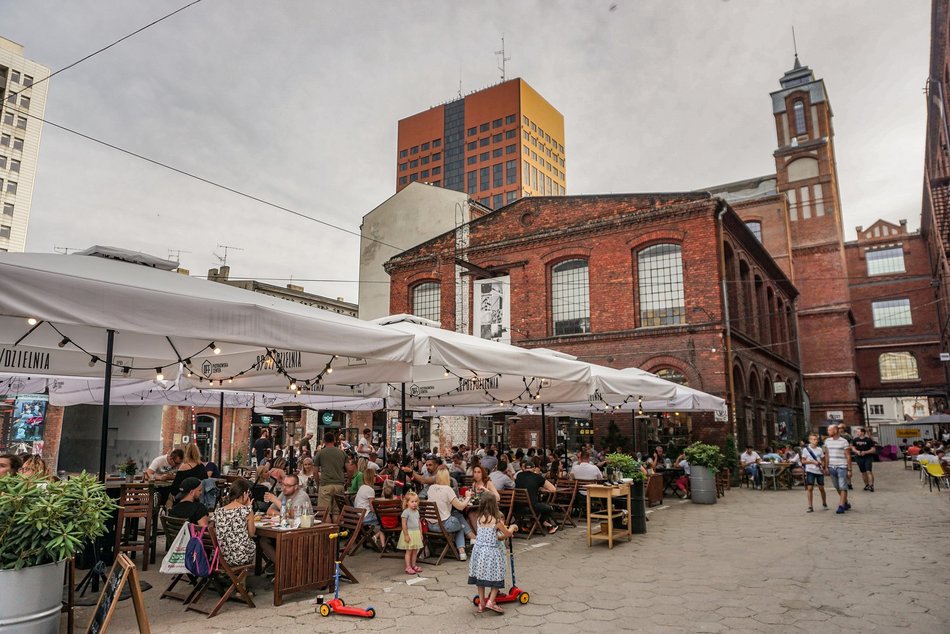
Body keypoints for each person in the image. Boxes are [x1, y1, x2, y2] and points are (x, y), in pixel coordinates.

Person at [468, 493, 518, 614]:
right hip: (491, 552)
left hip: (479, 551)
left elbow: (491, 535)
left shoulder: (479, 518)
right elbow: (506, 534)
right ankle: (491, 601)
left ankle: (482, 603)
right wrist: (512, 527)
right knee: (497, 575)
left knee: (481, 577)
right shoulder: (496, 520)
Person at [213, 478, 268, 567]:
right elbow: (251, 533)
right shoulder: (246, 510)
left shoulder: (219, 511)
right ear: (245, 493)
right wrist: (249, 509)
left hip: (223, 556)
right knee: (256, 543)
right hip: (241, 556)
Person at [426, 466, 476, 560]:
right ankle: (465, 547)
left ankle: (464, 550)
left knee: (457, 517)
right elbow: (461, 506)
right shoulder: (448, 490)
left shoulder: (431, 488)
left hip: (430, 525)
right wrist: (468, 497)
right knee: (459, 524)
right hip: (442, 526)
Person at [514, 456, 558, 534]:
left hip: (518, 507)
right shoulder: (537, 477)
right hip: (531, 507)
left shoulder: (519, 476)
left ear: (524, 468)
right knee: (549, 508)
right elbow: (553, 489)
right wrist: (539, 486)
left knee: (540, 507)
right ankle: (545, 524)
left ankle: (532, 525)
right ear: (534, 468)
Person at [314, 432, 347, 514]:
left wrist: (318, 484)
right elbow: (349, 469)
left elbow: (315, 472)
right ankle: (336, 527)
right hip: (339, 485)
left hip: (326, 484)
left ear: (324, 441)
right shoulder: (342, 453)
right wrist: (348, 480)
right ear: (334, 440)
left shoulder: (320, 453)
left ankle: (329, 527)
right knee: (337, 512)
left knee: (325, 513)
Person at [823, 424, 852, 514]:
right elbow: (827, 455)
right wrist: (826, 467)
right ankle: (845, 502)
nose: (828, 432)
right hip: (832, 466)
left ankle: (841, 506)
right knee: (837, 486)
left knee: (843, 486)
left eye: (829, 430)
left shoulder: (844, 441)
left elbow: (848, 456)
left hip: (842, 466)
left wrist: (849, 469)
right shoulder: (827, 441)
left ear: (835, 430)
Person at [353, 467, 384, 550]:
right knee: (385, 519)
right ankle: (376, 537)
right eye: (374, 476)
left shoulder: (362, 487)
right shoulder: (370, 490)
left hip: (358, 515)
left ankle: (375, 537)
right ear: (371, 477)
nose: (376, 478)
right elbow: (373, 508)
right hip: (365, 517)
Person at [398, 491, 423, 574]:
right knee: (409, 551)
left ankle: (414, 565)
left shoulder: (417, 512)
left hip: (416, 533)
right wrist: (406, 535)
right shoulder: (406, 512)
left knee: (415, 551)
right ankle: (408, 567)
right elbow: (404, 524)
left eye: (416, 501)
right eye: (412, 502)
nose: (414, 503)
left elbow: (419, 523)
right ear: (407, 502)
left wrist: (421, 533)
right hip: (409, 533)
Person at [801, 434, 828, 512]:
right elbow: (803, 461)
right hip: (810, 470)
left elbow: (823, 459)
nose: (816, 441)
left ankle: (824, 503)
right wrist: (812, 462)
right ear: (810, 440)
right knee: (810, 488)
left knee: (821, 488)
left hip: (819, 471)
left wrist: (824, 466)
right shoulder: (806, 450)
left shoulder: (819, 449)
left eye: (816, 439)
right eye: (814, 439)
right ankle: (810, 506)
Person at [851, 427, 877, 492]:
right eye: (857, 432)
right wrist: (857, 451)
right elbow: (853, 447)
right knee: (863, 472)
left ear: (862, 432)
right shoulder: (855, 440)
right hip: (859, 458)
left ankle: (871, 485)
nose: (857, 433)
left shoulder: (868, 440)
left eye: (858, 431)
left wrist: (865, 452)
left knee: (868, 471)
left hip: (868, 457)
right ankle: (866, 485)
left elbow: (873, 450)